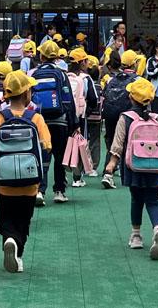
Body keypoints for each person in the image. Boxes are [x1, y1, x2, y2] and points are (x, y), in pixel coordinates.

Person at [0, 71, 52, 274]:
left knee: (7, 218)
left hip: (5, 184)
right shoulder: (36, 118)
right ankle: (17, 252)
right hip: (30, 184)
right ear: (27, 94)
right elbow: (47, 145)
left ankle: (9, 240)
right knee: (23, 221)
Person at [104, 78, 158, 259]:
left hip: (133, 166)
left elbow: (118, 143)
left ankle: (136, 235)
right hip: (155, 166)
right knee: (153, 200)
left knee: (136, 199)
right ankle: (157, 228)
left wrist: (112, 163)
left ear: (130, 97)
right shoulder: (157, 118)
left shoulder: (125, 118)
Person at [32, 40, 77, 205]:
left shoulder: (34, 74)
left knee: (41, 156)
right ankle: (59, 191)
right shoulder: (61, 74)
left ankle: (39, 191)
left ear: (41, 56)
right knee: (59, 157)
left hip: (40, 121)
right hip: (60, 122)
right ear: (57, 57)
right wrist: (74, 123)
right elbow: (68, 100)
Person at [101, 51, 139, 189]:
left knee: (112, 143)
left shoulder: (112, 79)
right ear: (134, 64)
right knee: (129, 143)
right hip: (128, 115)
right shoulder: (138, 80)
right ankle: (127, 174)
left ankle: (107, 172)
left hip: (110, 114)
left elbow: (104, 94)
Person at [67, 47, 98, 188]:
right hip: (80, 116)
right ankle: (77, 177)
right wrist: (87, 109)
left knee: (64, 145)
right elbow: (93, 99)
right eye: (85, 60)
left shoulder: (64, 76)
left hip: (65, 116)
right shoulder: (86, 78)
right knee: (79, 145)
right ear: (82, 62)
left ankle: (62, 177)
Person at [85, 55, 103, 178]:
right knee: (95, 142)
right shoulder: (101, 87)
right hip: (97, 118)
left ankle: (83, 166)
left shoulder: (85, 83)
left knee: (83, 141)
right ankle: (94, 167)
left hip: (85, 116)